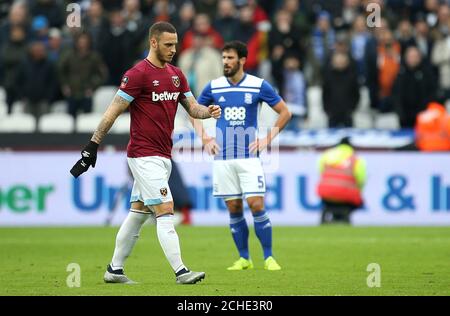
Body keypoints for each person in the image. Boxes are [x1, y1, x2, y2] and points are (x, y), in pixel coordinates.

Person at [69, 22, 221, 285]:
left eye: (175, 44)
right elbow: (112, 111)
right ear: (153, 42)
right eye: (168, 44)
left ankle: (114, 270)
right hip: (142, 154)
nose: (173, 49)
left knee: (138, 212)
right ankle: (181, 272)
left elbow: (193, 108)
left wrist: (209, 112)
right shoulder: (137, 74)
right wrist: (93, 144)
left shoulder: (176, 75)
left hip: (163, 155)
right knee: (165, 208)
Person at [192, 40, 292, 271]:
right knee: (234, 208)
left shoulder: (258, 85)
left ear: (243, 60)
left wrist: (267, 139)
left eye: (230, 58)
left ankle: (268, 257)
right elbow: (193, 112)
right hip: (223, 158)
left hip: (249, 157)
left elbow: (285, 112)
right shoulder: (214, 87)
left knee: (256, 204)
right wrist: (204, 137)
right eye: (223, 58)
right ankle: (244, 258)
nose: (225, 62)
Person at [316, 137, 367, 225]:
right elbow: (361, 179)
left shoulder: (326, 155)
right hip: (346, 194)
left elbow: (321, 172)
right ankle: (342, 217)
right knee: (359, 201)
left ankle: (330, 218)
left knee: (328, 198)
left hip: (325, 193)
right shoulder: (356, 159)